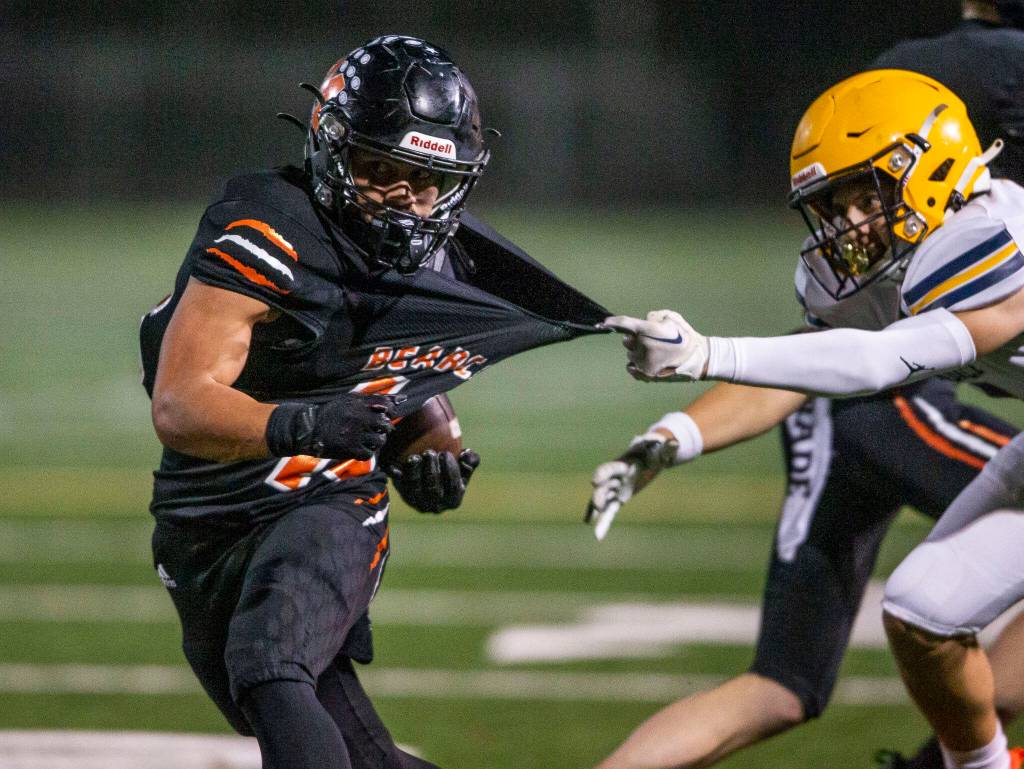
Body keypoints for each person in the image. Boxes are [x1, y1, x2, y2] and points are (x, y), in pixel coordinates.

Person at [139, 35, 608, 769]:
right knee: (358, 750)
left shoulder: (441, 257)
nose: (403, 199)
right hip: (205, 514)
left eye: (425, 180)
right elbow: (180, 404)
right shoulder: (272, 228)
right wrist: (306, 422)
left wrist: (435, 461)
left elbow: (416, 397)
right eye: (380, 169)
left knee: (270, 662)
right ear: (332, 149)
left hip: (324, 499)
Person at [586, 4, 1024, 768]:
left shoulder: (987, 234)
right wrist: (677, 432)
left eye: (866, 196)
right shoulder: (901, 254)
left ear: (927, 167)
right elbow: (818, 355)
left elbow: (881, 364)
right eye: (836, 204)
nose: (850, 223)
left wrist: (705, 352)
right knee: (922, 609)